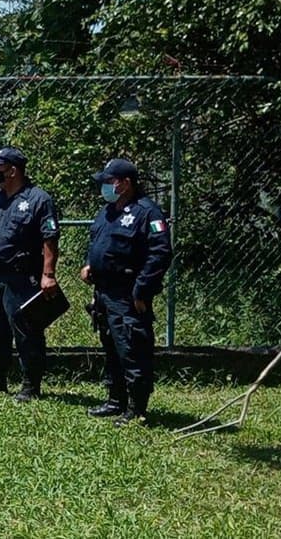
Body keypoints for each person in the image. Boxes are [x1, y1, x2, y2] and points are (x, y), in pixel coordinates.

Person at [81, 158, 172, 426]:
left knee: (132, 349)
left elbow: (160, 254)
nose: (105, 187)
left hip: (128, 294)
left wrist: (142, 290)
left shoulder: (148, 213)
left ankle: (137, 408)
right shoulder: (107, 212)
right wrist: (89, 265)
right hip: (104, 293)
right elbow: (98, 243)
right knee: (112, 348)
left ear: (126, 183)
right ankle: (114, 400)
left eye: (110, 182)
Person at [0, 147, 61, 402]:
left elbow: (50, 239)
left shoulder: (39, 199)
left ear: (12, 170)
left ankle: (31, 385)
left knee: (26, 331)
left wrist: (48, 274)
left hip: (20, 278)